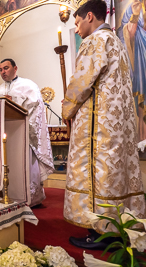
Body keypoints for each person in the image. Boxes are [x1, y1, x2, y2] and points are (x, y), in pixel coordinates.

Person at [61, 0, 146, 249]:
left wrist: (67, 107)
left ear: (89, 17)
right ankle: (120, 227)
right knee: (113, 174)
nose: (76, 29)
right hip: (118, 124)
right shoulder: (117, 41)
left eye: (77, 23)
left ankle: (101, 232)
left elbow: (82, 81)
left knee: (98, 175)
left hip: (98, 123)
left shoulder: (96, 41)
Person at [0, 58, 54, 207]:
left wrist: (14, 101)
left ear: (15, 68)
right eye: (0, 69)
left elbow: (36, 109)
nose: (3, 72)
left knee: (26, 166)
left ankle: (31, 198)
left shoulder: (28, 86)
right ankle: (8, 194)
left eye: (5, 68)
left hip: (23, 133)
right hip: (6, 136)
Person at [117, 0, 146, 140]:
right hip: (140, 58)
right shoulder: (132, 7)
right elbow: (127, 34)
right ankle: (142, 140)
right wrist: (135, 15)